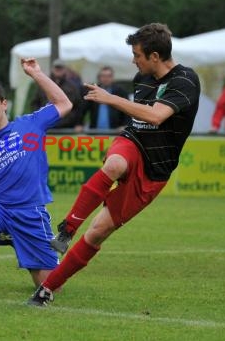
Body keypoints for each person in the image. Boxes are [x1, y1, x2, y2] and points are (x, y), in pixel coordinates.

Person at [28, 23, 200, 306]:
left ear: (155, 56)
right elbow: (140, 120)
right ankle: (67, 228)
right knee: (114, 165)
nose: (134, 60)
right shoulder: (141, 78)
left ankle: (46, 289)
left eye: (137, 55)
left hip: (155, 171)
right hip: (132, 142)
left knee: (97, 232)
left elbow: (156, 116)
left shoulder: (185, 80)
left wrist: (111, 99)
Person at [0, 57, 72, 287]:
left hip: (29, 213)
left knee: (49, 286)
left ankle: (28, 247)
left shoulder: (30, 124)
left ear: (5, 104)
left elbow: (64, 103)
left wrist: (36, 74)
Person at [30, 59, 84, 130]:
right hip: (45, 126)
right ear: (52, 69)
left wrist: (78, 123)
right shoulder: (42, 85)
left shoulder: (72, 87)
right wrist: (39, 118)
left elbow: (79, 107)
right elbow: (35, 103)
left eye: (60, 68)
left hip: (67, 127)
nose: (58, 70)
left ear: (65, 70)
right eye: (56, 67)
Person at [80, 66, 129, 132]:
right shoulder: (93, 90)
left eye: (108, 76)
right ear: (99, 77)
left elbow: (127, 110)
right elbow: (82, 109)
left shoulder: (120, 91)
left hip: (115, 132)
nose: (106, 79)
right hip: (95, 132)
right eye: (103, 76)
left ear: (112, 77)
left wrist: (124, 125)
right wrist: (79, 124)